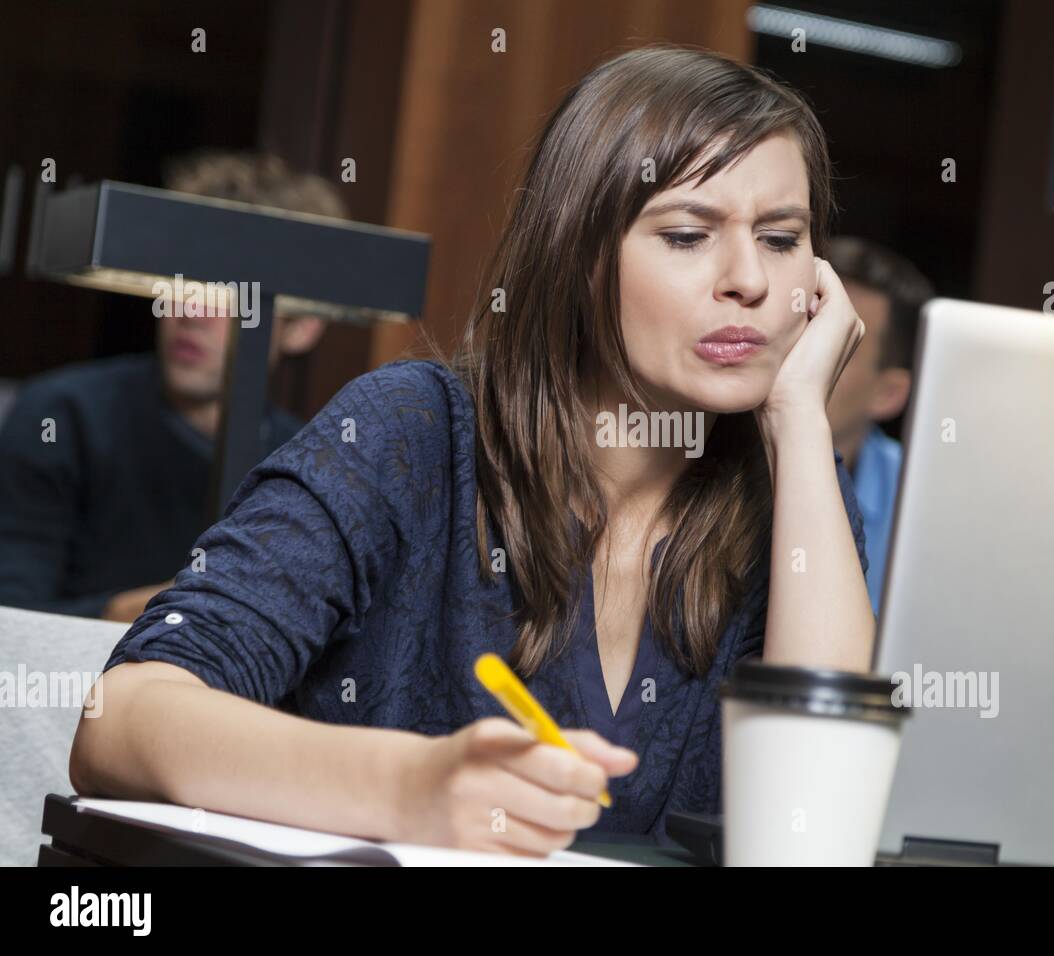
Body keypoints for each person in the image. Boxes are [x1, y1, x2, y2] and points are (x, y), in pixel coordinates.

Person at [70, 44, 875, 856]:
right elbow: (123, 720)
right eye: (687, 234)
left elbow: (820, 814)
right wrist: (405, 789)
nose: (750, 280)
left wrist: (803, 420)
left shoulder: (797, 485)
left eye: (780, 239)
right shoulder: (412, 432)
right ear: (581, 258)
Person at [0, 152, 345, 622]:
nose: (189, 310)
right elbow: (13, 619)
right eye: (182, 280)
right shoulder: (65, 415)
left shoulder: (310, 464)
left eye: (229, 291)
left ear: (301, 325)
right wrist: (168, 607)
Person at [823, 236, 934, 609]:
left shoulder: (923, 499)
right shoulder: (693, 454)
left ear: (888, 394)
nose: (801, 351)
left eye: (838, 342)